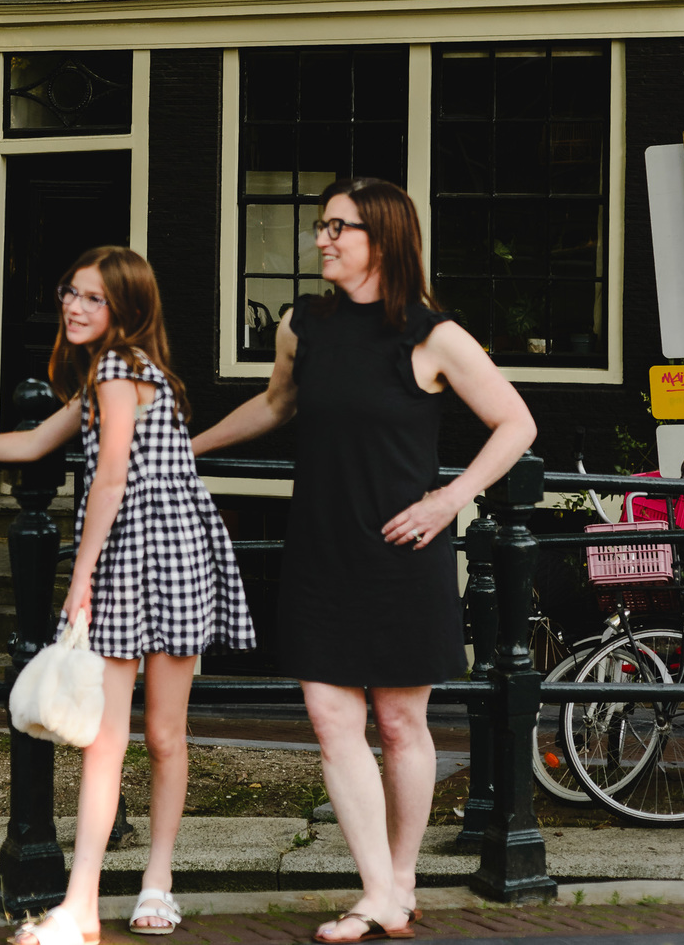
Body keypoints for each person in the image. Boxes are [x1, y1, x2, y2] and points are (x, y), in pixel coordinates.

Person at [190, 178, 537, 944]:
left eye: (338, 227)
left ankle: (400, 882)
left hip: (402, 548)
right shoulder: (301, 324)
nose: (322, 239)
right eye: (321, 226)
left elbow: (516, 422)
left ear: (381, 237)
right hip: (321, 544)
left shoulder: (431, 334)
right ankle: (377, 888)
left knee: (401, 719)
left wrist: (452, 499)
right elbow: (278, 404)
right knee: (328, 714)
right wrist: (192, 445)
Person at [0, 245, 255, 945]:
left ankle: (130, 892)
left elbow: (113, 479)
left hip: (159, 549)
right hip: (160, 549)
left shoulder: (122, 371)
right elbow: (34, 443)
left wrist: (81, 573)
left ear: (126, 309)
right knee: (130, 738)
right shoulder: (110, 375)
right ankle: (100, 899)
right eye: (71, 292)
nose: (75, 305)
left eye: (93, 297)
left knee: (144, 736)